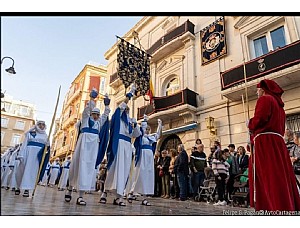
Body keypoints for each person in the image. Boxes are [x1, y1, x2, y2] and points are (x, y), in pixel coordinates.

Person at [248, 79, 300, 211]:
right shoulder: (280, 107)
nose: (256, 92)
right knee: (279, 176)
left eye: (257, 89)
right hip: (277, 143)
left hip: (266, 143)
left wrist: (250, 123)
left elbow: (260, 119)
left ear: (263, 89)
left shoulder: (265, 100)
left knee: (269, 177)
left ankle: (272, 206)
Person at [65, 89, 110, 206]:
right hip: (83, 145)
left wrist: (107, 105)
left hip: (93, 147)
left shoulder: (99, 123)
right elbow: (87, 110)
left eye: (97, 114)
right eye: (95, 114)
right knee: (76, 166)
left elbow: (106, 115)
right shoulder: (85, 119)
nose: (96, 116)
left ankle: (80, 196)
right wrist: (91, 99)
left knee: (88, 169)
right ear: (92, 114)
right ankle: (70, 188)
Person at [99, 84, 141, 206]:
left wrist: (136, 125)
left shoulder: (129, 122)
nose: (126, 111)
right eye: (125, 109)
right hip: (118, 146)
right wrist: (130, 93)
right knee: (113, 169)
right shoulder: (117, 117)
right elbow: (122, 106)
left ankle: (119, 197)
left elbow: (136, 135)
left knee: (124, 171)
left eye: (128, 110)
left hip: (127, 147)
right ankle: (105, 192)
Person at [127, 115, 162, 206]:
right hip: (142, 157)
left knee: (148, 176)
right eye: (146, 129)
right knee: (139, 175)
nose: (147, 130)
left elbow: (158, 135)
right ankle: (131, 192)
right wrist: (144, 120)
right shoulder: (140, 137)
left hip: (149, 158)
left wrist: (159, 125)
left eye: (148, 129)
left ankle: (145, 197)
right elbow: (140, 129)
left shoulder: (151, 137)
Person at [15, 120, 50, 197]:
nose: (41, 126)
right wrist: (21, 154)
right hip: (28, 154)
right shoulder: (30, 134)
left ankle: (27, 189)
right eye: (39, 124)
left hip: (37, 156)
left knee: (32, 172)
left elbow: (47, 148)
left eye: (43, 125)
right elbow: (24, 144)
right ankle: (18, 187)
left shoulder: (46, 136)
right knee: (22, 170)